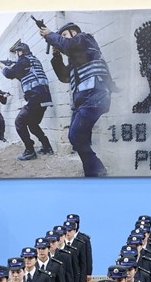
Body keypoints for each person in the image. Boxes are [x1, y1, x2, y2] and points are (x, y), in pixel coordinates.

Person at [41, 20, 113, 177]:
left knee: (76, 136)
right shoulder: (76, 60)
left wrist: (50, 35)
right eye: (62, 36)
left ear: (74, 32)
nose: (63, 38)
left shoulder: (84, 39)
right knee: (75, 138)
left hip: (96, 97)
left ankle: (96, 170)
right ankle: (92, 169)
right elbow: (64, 77)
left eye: (65, 35)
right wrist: (56, 57)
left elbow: (68, 45)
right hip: (82, 101)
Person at [1, 42, 54, 160]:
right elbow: (23, 76)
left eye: (17, 52)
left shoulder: (24, 60)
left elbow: (10, 74)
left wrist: (3, 67)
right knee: (32, 124)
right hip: (44, 97)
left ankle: (30, 150)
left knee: (19, 122)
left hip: (36, 97)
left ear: (21, 52)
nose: (16, 55)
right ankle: (47, 147)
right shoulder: (34, 60)